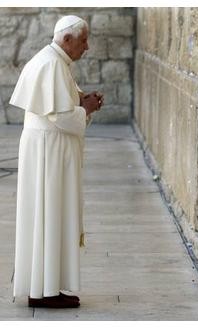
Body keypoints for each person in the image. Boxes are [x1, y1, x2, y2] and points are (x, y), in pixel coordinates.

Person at [9, 15, 104, 308]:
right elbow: (60, 116)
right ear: (67, 39)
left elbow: (62, 102)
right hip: (48, 153)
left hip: (49, 151)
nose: (87, 47)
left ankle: (47, 286)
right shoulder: (51, 63)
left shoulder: (56, 60)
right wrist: (83, 108)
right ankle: (44, 292)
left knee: (50, 215)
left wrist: (81, 100)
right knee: (49, 214)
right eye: (84, 40)